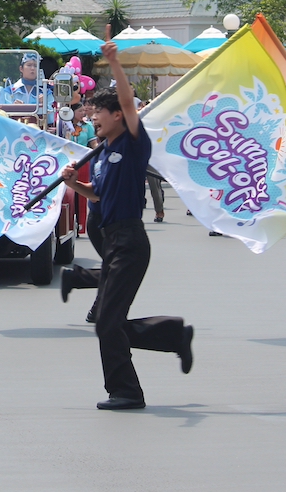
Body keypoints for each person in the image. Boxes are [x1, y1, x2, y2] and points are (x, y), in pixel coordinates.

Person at [59, 40, 193, 411]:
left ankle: (127, 392)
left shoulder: (134, 143)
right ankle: (173, 335)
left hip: (131, 240)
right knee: (110, 321)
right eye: (90, 113)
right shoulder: (101, 154)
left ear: (119, 115)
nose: (92, 118)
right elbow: (98, 195)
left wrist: (115, 62)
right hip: (113, 239)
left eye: (98, 112)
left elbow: (130, 102)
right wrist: (74, 185)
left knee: (107, 322)